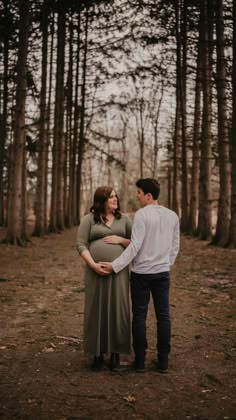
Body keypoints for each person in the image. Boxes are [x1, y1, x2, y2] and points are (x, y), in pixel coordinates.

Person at [101, 178, 180, 373]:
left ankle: (141, 362)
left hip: (141, 275)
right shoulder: (172, 216)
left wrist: (115, 266)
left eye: (138, 192)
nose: (136, 196)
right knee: (163, 317)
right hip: (162, 274)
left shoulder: (142, 215)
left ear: (148, 195)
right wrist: (165, 263)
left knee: (140, 316)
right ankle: (163, 362)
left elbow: (135, 247)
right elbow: (175, 246)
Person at [76, 186, 132, 371]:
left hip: (119, 272)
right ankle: (97, 354)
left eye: (116, 196)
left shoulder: (124, 220)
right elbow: (81, 244)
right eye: (111, 197)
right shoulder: (89, 219)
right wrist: (93, 265)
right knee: (96, 308)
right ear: (101, 201)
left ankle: (116, 353)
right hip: (95, 272)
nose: (115, 200)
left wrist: (121, 240)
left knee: (118, 309)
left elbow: (136, 243)